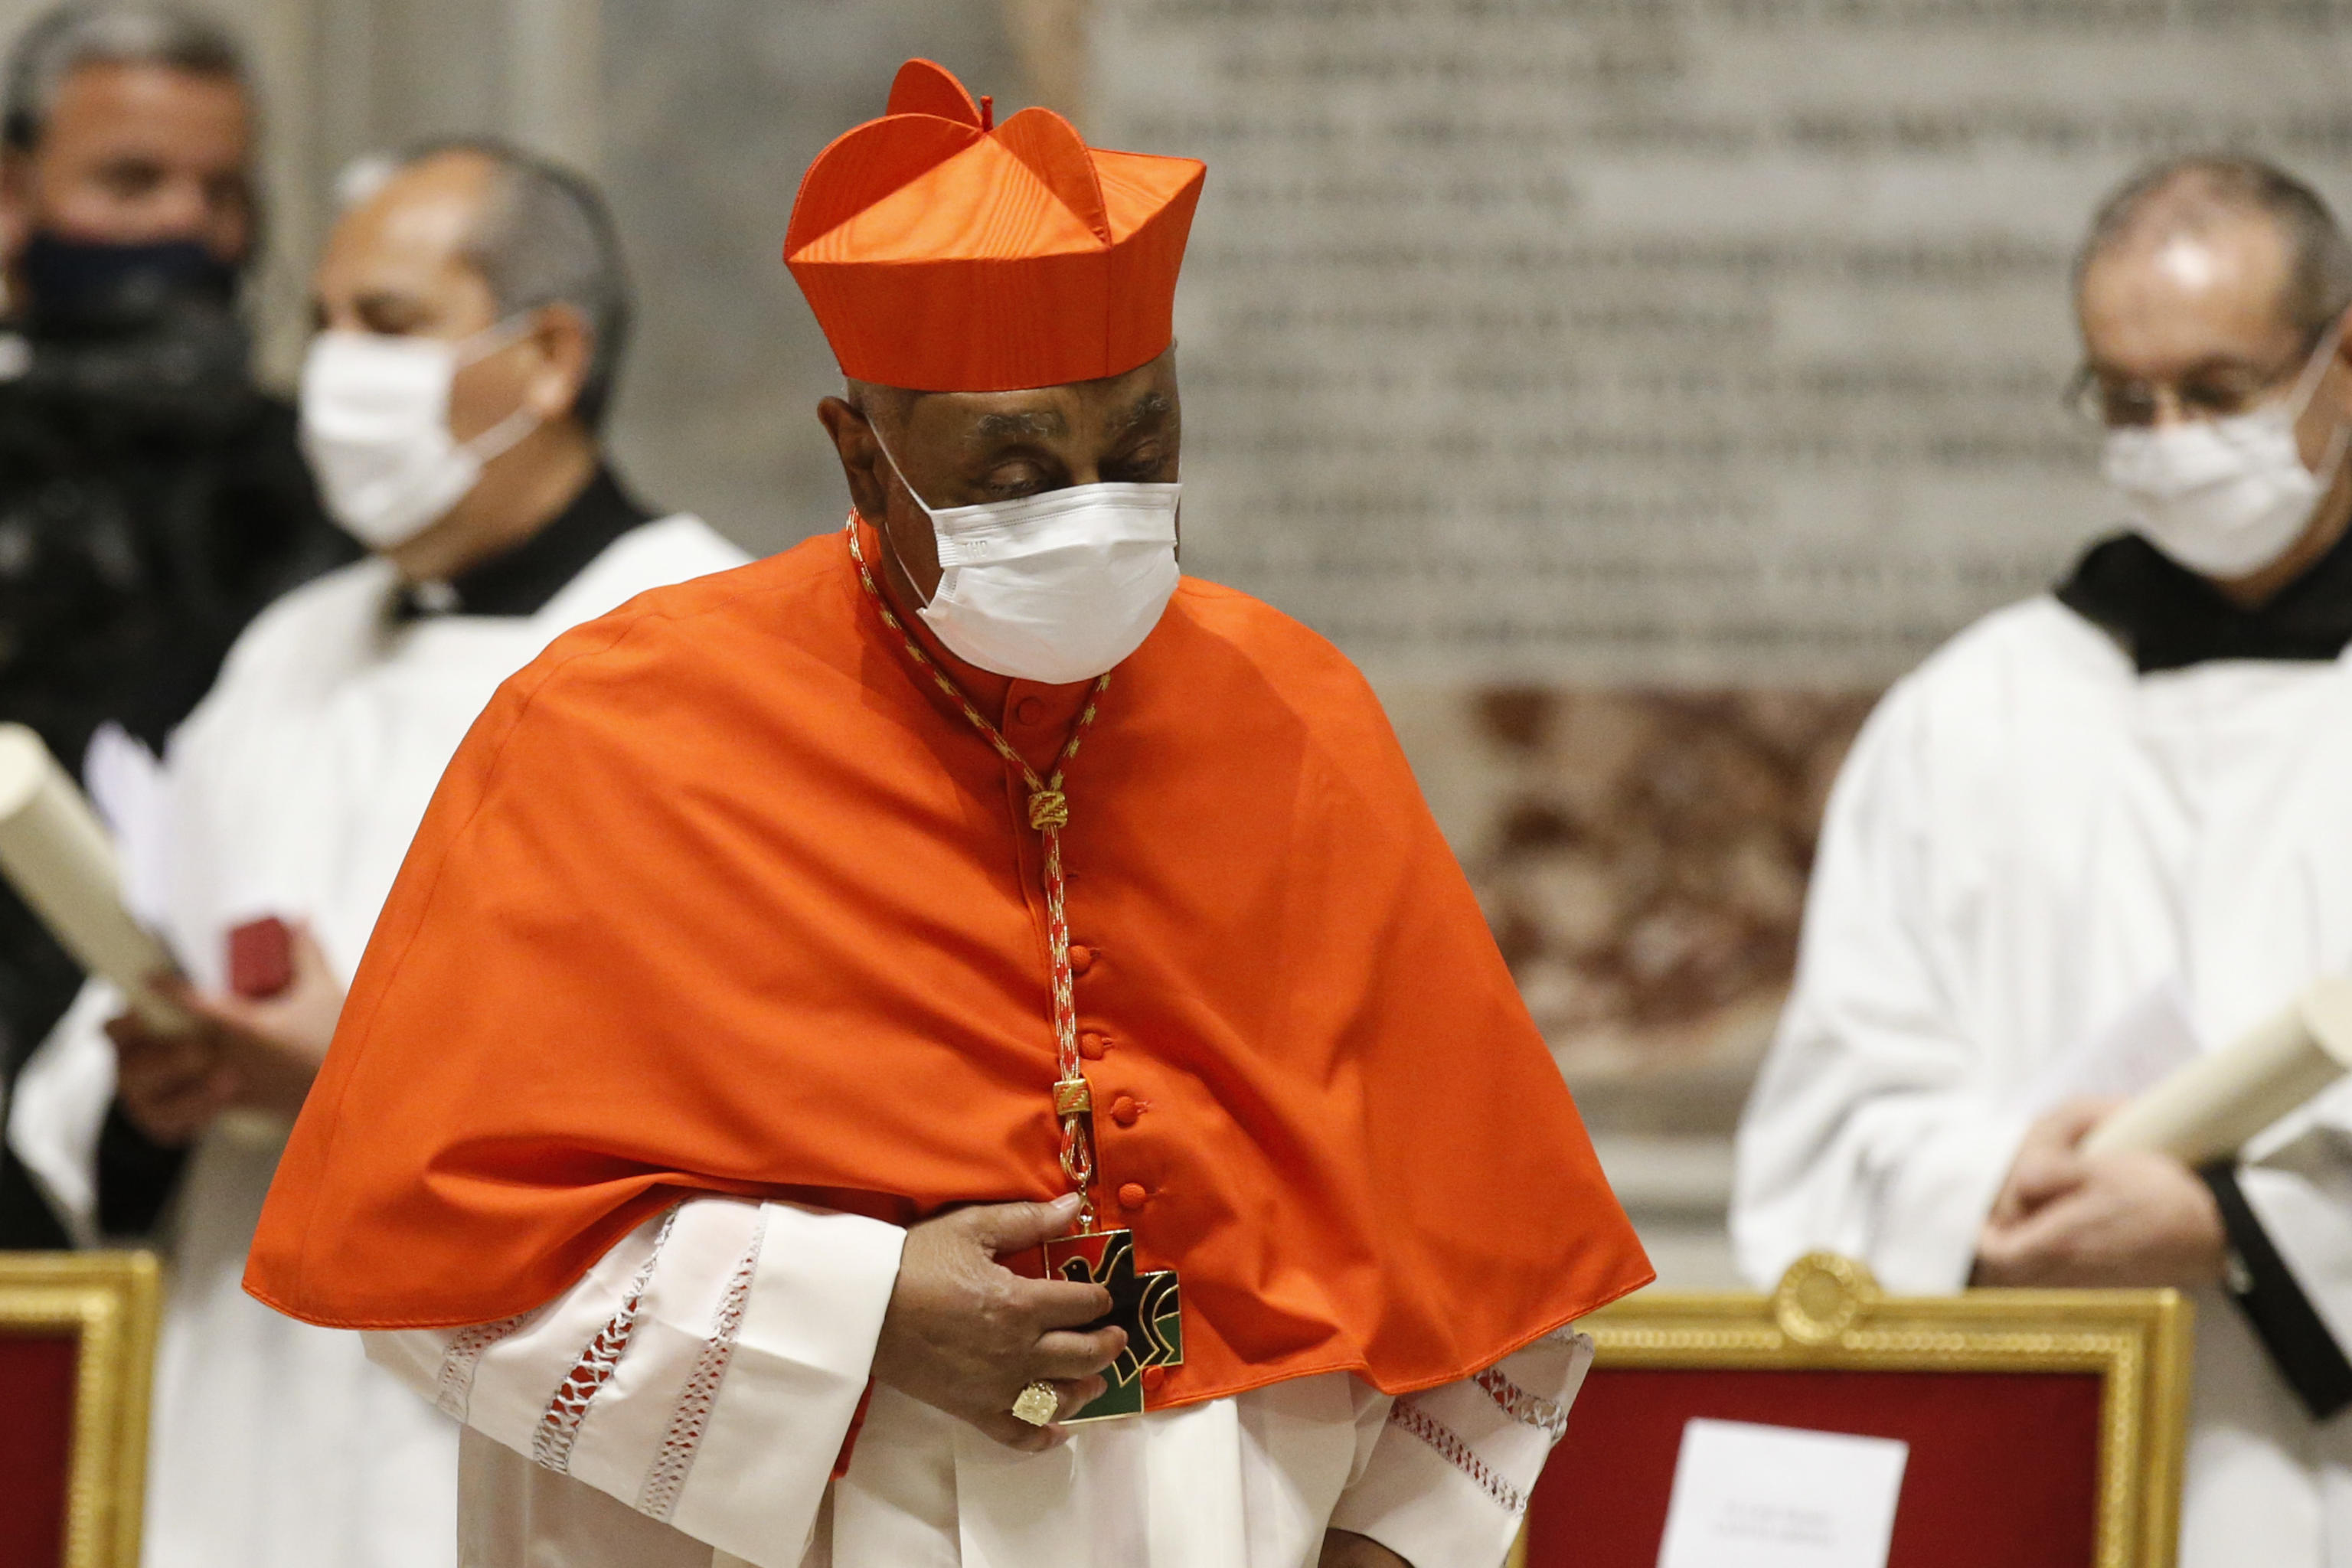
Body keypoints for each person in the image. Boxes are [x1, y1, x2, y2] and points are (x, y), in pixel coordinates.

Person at [242, 60, 1651, 1568]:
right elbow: (443, 1273)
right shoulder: (617, 726)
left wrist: (1386, 1546)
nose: (1099, 507)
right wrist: (855, 1316)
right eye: (1020, 470)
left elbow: (1490, 1255)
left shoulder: (1292, 707)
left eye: (1144, 448)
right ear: (864, 456)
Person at [6, 139, 746, 1568]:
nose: (336, 369)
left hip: (490, 1444)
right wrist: (157, 1077)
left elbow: (728, 1096)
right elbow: (152, 998)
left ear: (546, 359)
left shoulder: (705, 646)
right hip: (234, 1418)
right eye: (327, 322)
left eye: (390, 326)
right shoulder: (292, 646)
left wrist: (365, 1076)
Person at [1734, 153, 2352, 1567]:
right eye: (2125, 401)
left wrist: (2242, 1231)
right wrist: (2001, 1175)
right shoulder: (1971, 715)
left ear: (2345, 360)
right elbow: (1829, 1135)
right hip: (2037, 1480)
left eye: (2216, 390)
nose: (2169, 437)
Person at [0, 3, 349, 1250]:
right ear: (13, 195)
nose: (184, 230)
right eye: (131, 181)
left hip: (191, 1143)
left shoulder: (319, 491)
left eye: (222, 195)